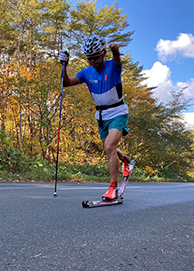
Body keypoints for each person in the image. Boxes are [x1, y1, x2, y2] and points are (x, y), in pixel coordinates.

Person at [59, 35, 131, 201]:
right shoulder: (86, 73)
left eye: (96, 58)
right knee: (109, 148)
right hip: (102, 115)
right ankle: (126, 160)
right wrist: (64, 65)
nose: (93, 62)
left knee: (108, 147)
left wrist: (116, 51)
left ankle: (113, 189)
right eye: (89, 59)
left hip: (118, 112)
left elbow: (118, 61)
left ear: (103, 54)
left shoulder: (113, 66)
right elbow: (67, 83)